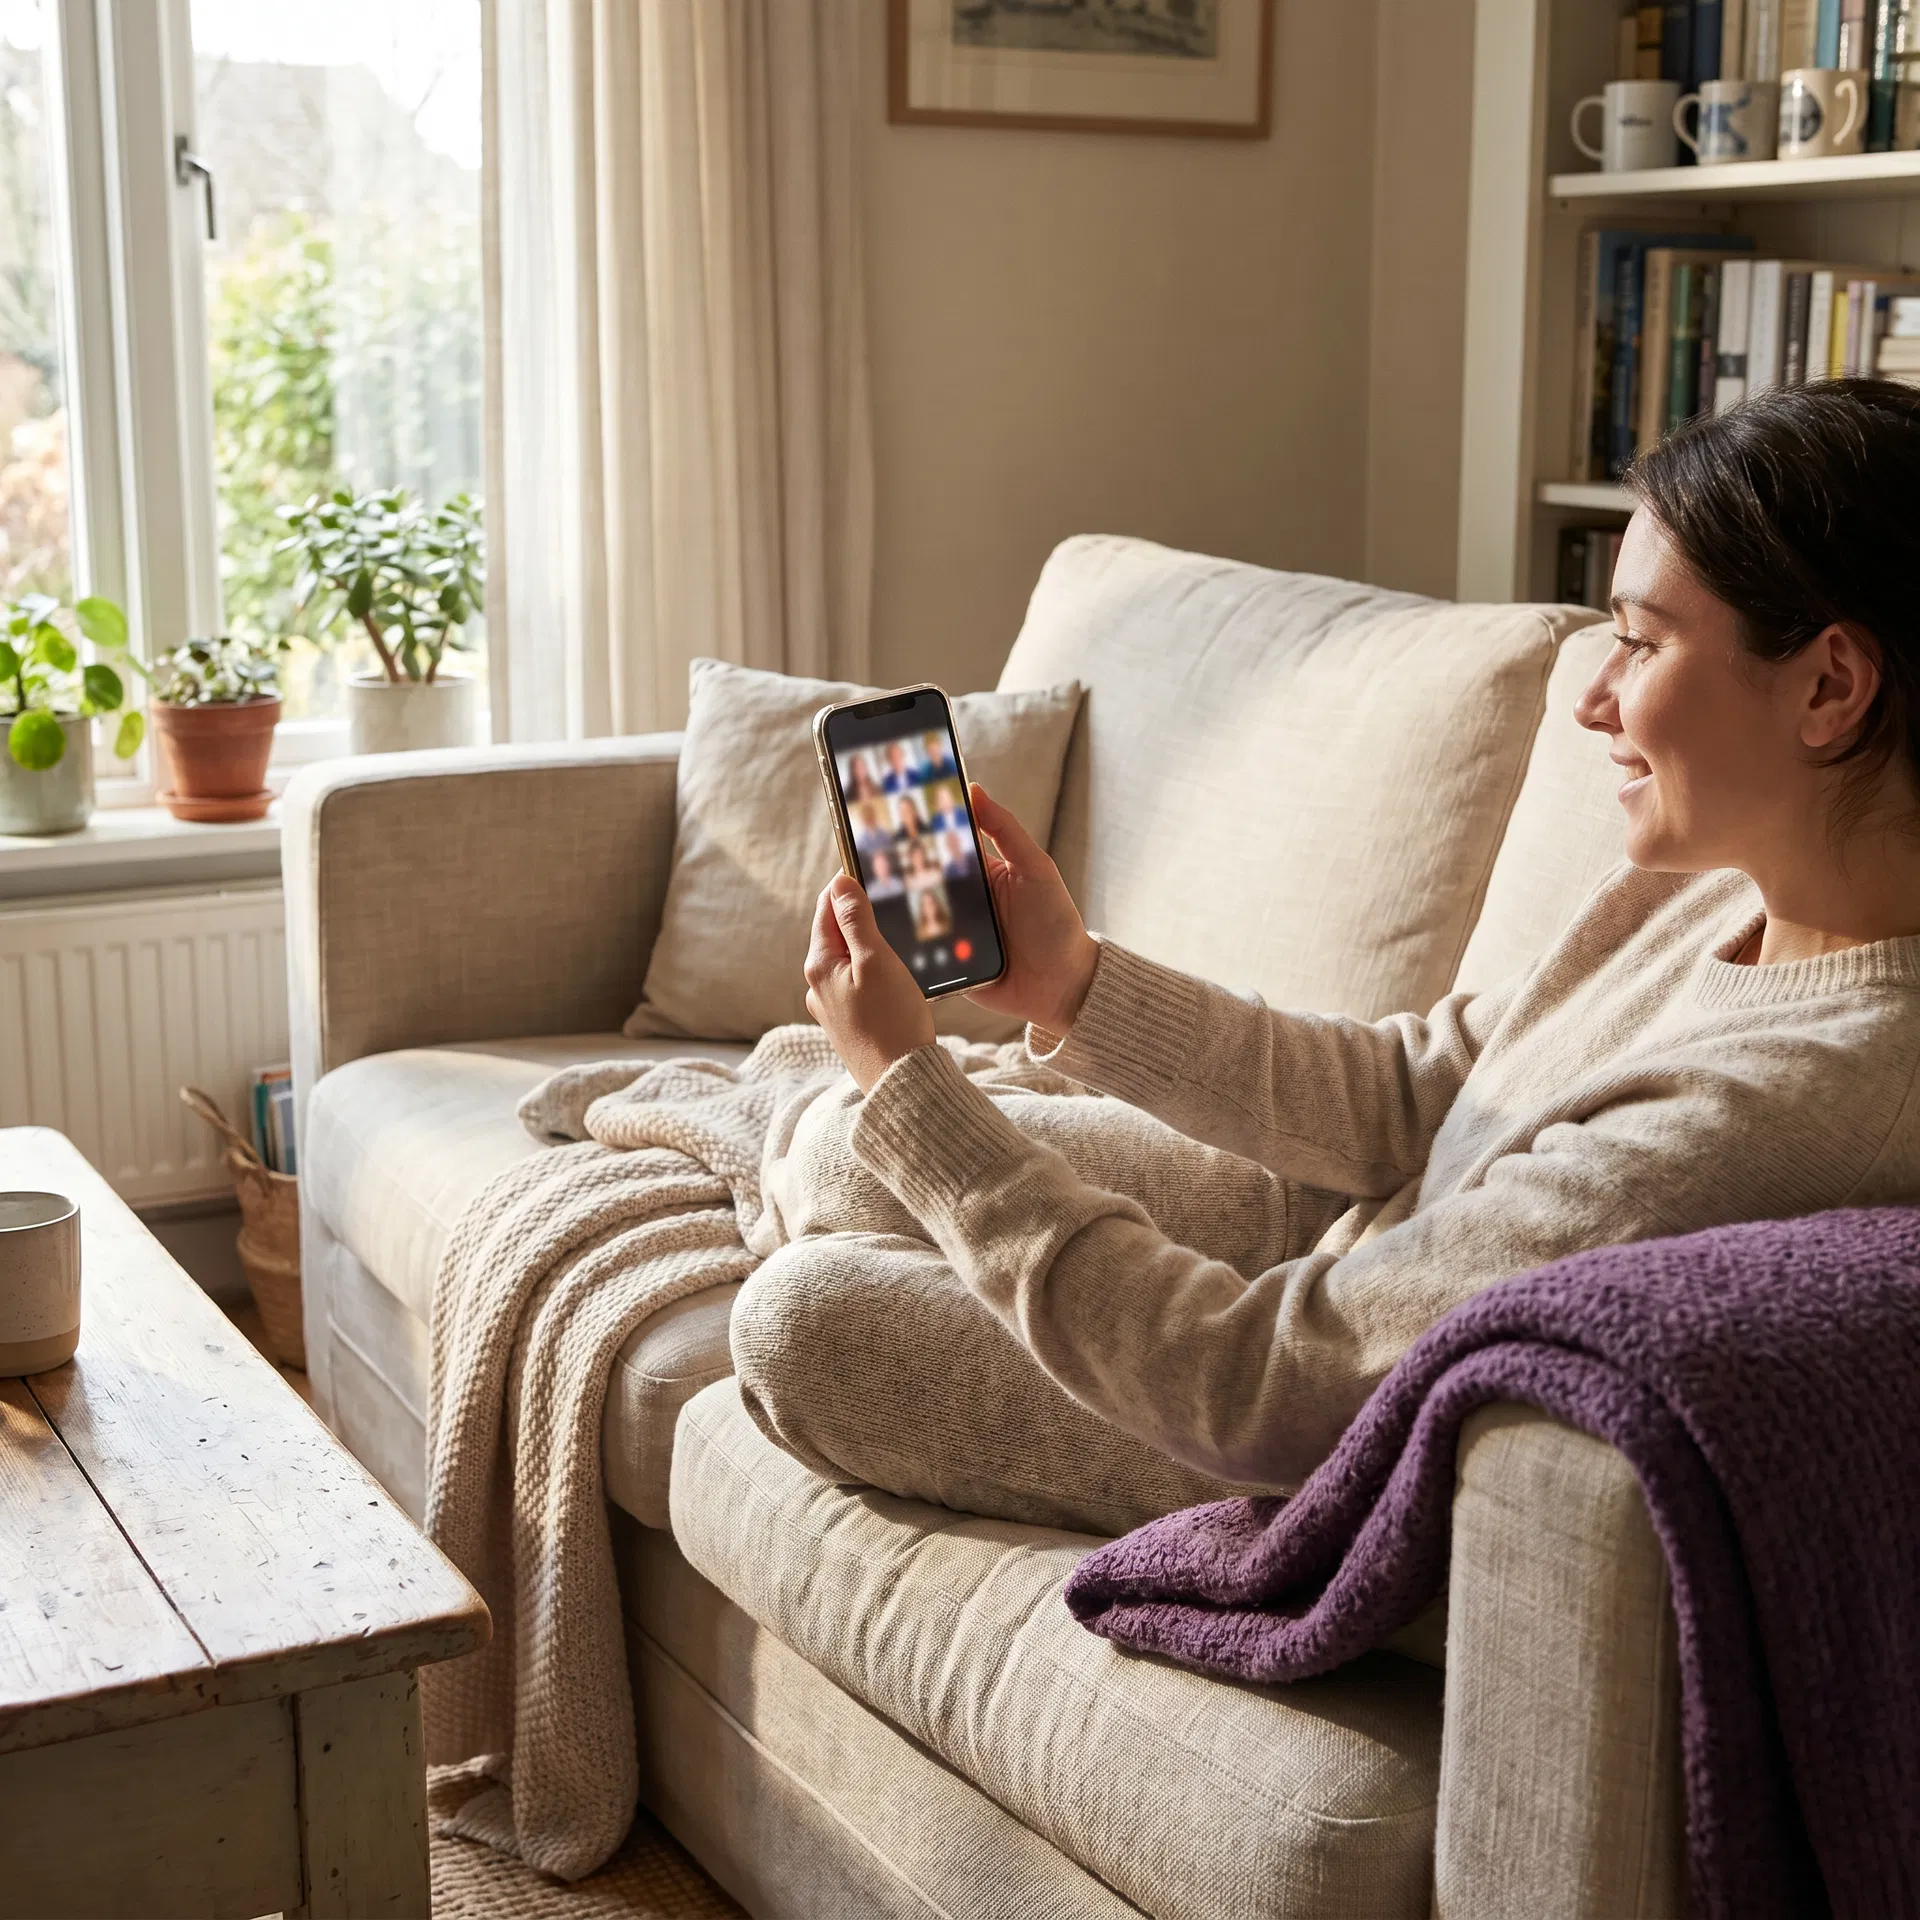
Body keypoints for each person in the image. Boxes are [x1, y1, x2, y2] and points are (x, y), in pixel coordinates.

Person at [752, 381, 1920, 1525]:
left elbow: (1258, 1383)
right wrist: (1076, 983)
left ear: (1829, 686)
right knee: (832, 1152)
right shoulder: (1711, 888)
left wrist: (917, 1094)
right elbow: (1416, 1089)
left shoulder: (1781, 1103)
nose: (1593, 701)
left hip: (1335, 1428)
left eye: (1640, 642)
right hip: (1370, 1245)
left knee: (802, 1317)